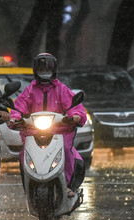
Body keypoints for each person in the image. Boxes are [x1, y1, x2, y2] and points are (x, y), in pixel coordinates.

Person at [9, 52, 87, 197]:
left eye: (47, 70)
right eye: (41, 70)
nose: (44, 73)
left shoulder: (62, 89)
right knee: (24, 155)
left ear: (54, 70)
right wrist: (14, 117)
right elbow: (19, 107)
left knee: (65, 150)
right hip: (32, 132)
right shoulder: (29, 90)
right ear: (35, 71)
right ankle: (29, 186)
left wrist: (75, 116)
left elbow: (74, 107)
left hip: (60, 132)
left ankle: (68, 186)